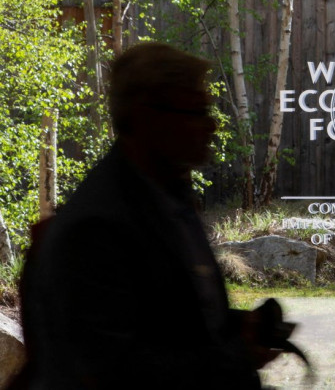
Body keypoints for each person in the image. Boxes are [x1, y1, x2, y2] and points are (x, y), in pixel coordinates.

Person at [19, 43, 275, 389]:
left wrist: (237, 327)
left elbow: (166, 318)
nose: (212, 126)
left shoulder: (168, 198)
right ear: (146, 118)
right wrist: (234, 355)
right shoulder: (96, 227)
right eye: (196, 112)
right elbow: (115, 369)